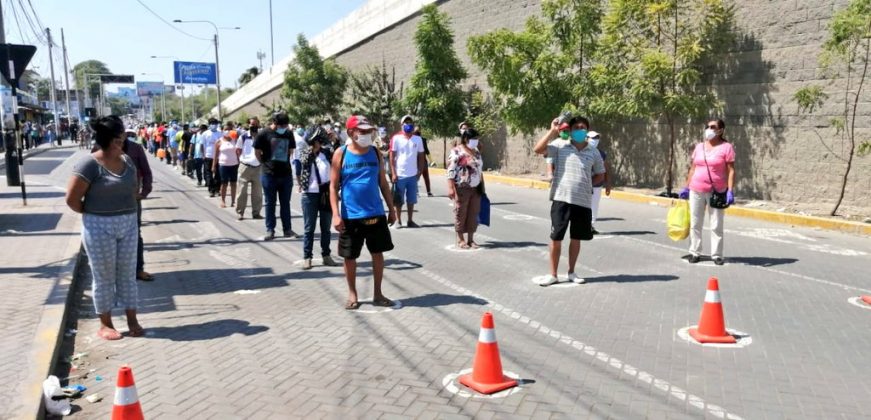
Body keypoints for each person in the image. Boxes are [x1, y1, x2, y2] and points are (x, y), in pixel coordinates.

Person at [65, 116, 144, 340]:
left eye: (123, 139)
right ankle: (105, 324)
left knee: (128, 275)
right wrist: (94, 212)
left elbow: (132, 188)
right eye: (119, 140)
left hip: (128, 224)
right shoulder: (89, 164)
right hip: (99, 226)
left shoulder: (127, 161)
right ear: (108, 140)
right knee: (104, 276)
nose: (122, 144)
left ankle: (132, 319)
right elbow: (72, 199)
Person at [330, 115, 397, 310]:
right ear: (351, 133)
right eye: (363, 131)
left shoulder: (375, 153)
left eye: (369, 131)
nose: (367, 134)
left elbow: (383, 184)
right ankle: (352, 294)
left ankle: (378, 293)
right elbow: (333, 187)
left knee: (378, 253)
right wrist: (336, 214)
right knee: (350, 257)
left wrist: (391, 209)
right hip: (351, 216)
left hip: (375, 213)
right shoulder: (341, 154)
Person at [533, 116, 605, 286]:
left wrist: (587, 185)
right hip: (561, 198)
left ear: (587, 130)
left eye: (583, 127)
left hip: (583, 201)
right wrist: (552, 130)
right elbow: (538, 149)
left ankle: (572, 272)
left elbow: (600, 173)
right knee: (556, 237)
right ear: (571, 130)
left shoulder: (593, 152)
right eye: (576, 128)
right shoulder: (560, 145)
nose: (580, 130)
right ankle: (553, 274)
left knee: (576, 238)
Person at [679, 119, 735, 265]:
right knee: (695, 222)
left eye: (713, 127)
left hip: (716, 191)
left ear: (720, 130)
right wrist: (686, 186)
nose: (709, 129)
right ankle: (694, 252)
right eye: (707, 126)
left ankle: (716, 255)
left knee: (716, 224)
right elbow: (693, 168)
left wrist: (730, 190)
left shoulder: (726, 147)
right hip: (696, 189)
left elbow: (731, 171)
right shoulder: (699, 147)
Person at [299, 125, 340, 269]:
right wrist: (313, 149)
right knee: (309, 228)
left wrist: (334, 140)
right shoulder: (305, 152)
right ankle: (307, 257)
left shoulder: (327, 152)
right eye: (318, 139)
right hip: (309, 194)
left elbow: (339, 154)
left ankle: (326, 256)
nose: (320, 142)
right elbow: (304, 161)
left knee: (326, 227)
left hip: (326, 193)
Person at [254, 112, 297, 241]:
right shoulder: (263, 134)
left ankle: (287, 229)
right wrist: (265, 164)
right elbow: (257, 152)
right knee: (270, 203)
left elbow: (291, 151)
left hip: (285, 174)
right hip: (269, 175)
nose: (284, 128)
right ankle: (270, 230)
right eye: (281, 125)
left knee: (285, 203)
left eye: (285, 125)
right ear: (274, 123)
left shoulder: (288, 134)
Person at [121, 129, 154, 282]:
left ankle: (138, 269)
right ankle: (117, 272)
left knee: (134, 234)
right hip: (108, 203)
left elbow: (146, 172)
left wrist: (144, 192)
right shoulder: (100, 149)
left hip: (132, 200)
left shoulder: (135, 148)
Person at [447, 127, 484, 249]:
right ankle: (460, 239)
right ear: (466, 138)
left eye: (477, 138)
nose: (476, 141)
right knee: (461, 212)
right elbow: (451, 170)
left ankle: (471, 239)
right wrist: (450, 187)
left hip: (476, 187)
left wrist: (482, 185)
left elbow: (479, 169)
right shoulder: (457, 151)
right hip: (462, 187)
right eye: (474, 138)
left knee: (473, 213)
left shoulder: (476, 151)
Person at [389, 115, 425, 228]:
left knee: (411, 199)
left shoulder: (418, 139)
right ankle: (398, 221)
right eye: (406, 122)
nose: (408, 124)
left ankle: (410, 220)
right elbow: (392, 156)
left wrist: (419, 172)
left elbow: (421, 156)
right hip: (400, 174)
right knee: (398, 199)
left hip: (413, 175)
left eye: (410, 122)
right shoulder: (396, 138)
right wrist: (393, 173)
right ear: (402, 125)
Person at [235, 117, 263, 220]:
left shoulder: (262, 136)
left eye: (255, 124)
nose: (253, 126)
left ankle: (256, 213)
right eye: (251, 124)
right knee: (241, 192)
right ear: (248, 125)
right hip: (245, 167)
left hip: (258, 168)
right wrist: (242, 161)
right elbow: (238, 150)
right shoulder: (243, 136)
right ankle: (240, 212)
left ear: (258, 125)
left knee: (257, 193)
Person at [587, 131, 612, 235]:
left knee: (594, 206)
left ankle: (590, 226)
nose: (595, 140)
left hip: (597, 184)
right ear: (587, 138)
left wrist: (608, 184)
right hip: (584, 184)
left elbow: (606, 169)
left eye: (597, 138)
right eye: (593, 138)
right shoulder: (581, 151)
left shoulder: (601, 153)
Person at [213, 124, 240, 208]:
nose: (227, 131)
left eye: (229, 129)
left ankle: (233, 201)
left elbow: (238, 152)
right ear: (222, 130)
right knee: (224, 183)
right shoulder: (219, 141)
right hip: (223, 165)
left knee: (233, 183)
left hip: (234, 164)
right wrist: (213, 166)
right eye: (225, 129)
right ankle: (223, 201)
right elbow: (216, 155)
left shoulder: (235, 140)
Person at [202, 118, 222, 197]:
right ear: (209, 124)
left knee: (218, 174)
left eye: (215, 123)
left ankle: (217, 189)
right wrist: (203, 154)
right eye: (212, 123)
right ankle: (211, 190)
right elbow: (203, 145)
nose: (214, 125)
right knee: (208, 174)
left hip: (218, 157)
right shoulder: (205, 134)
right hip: (208, 156)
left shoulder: (220, 133)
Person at [413, 126, 434, 196]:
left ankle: (416, 191)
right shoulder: (423, 139)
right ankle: (428, 192)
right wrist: (431, 160)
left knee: (416, 177)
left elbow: (426, 150)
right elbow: (427, 151)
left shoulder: (413, 140)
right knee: (426, 177)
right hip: (423, 161)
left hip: (417, 162)